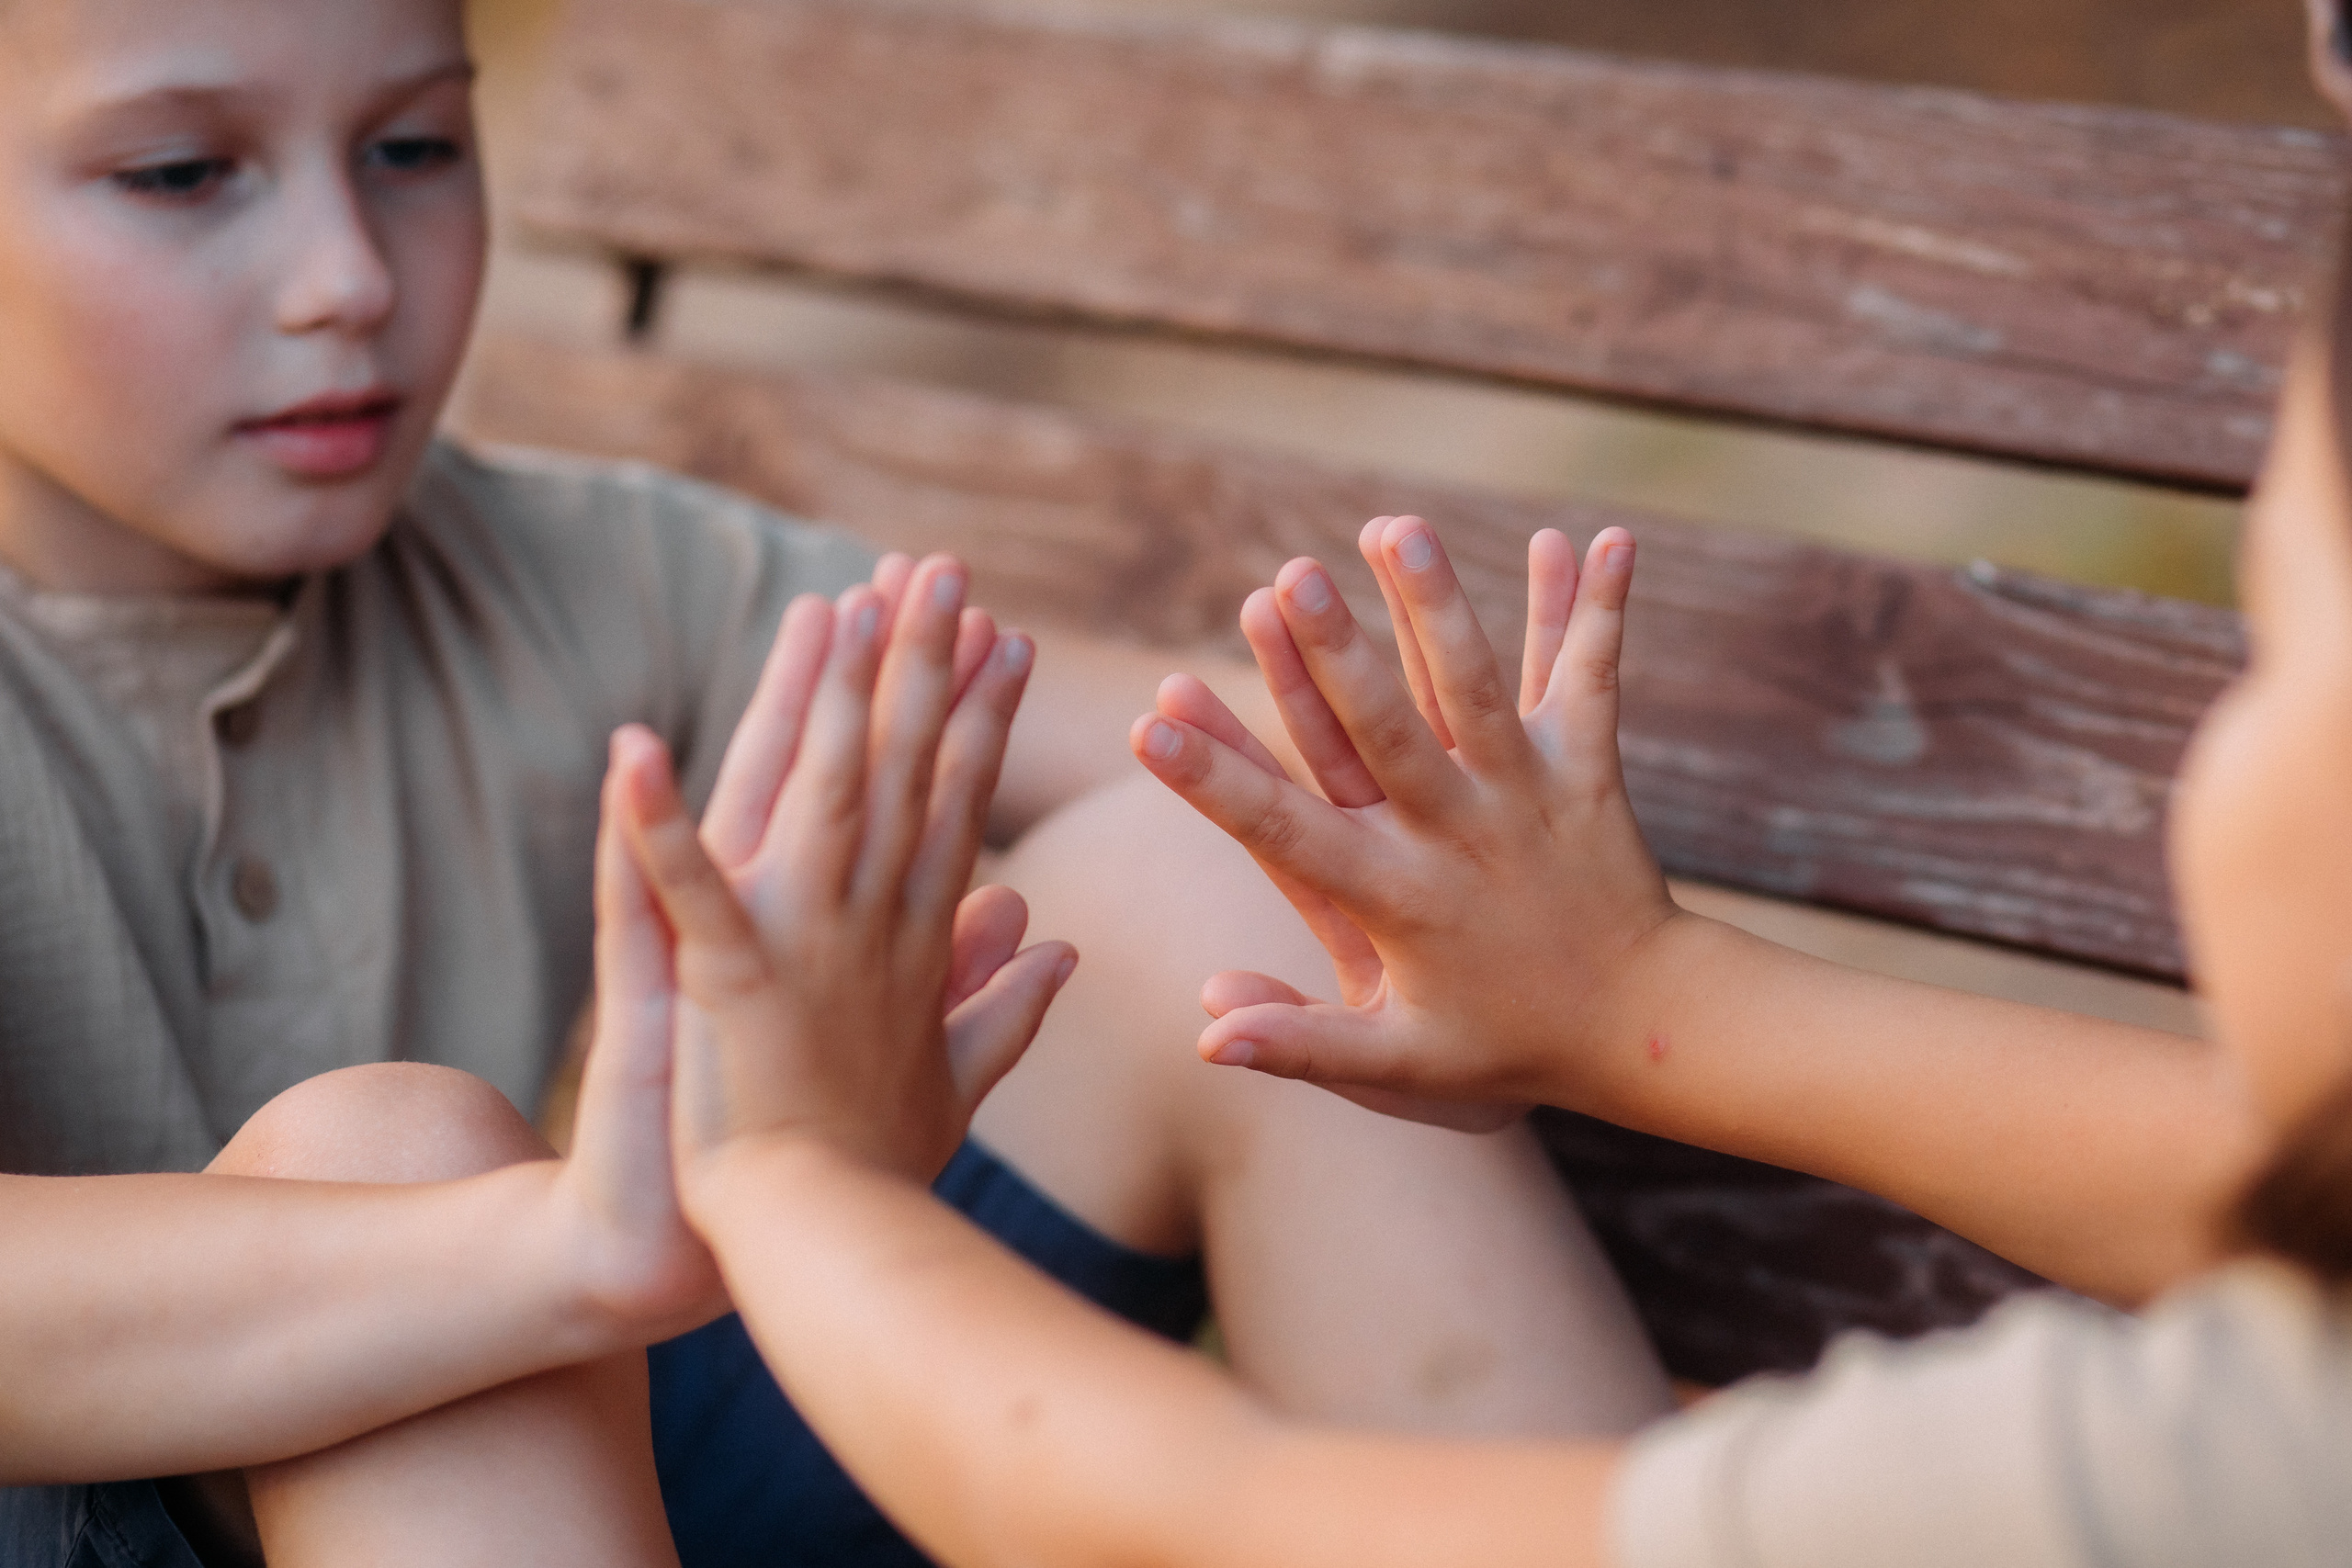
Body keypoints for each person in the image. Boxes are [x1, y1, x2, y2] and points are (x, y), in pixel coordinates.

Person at [617, 17, 2352, 1567]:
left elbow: (1201, 1521)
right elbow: (2245, 1171)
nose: (2219, 745)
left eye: (2271, 653)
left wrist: (788, 1171)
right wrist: (1639, 998)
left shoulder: (2217, 1465)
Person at [0, 0, 1663, 1563]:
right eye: (181, 173)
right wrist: (549, 1248)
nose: (345, 277)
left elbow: (1200, 745)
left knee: (1218, 869)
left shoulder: (555, 567)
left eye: (413, 147)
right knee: (401, 1163)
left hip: (566, 1473)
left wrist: (1460, 827)